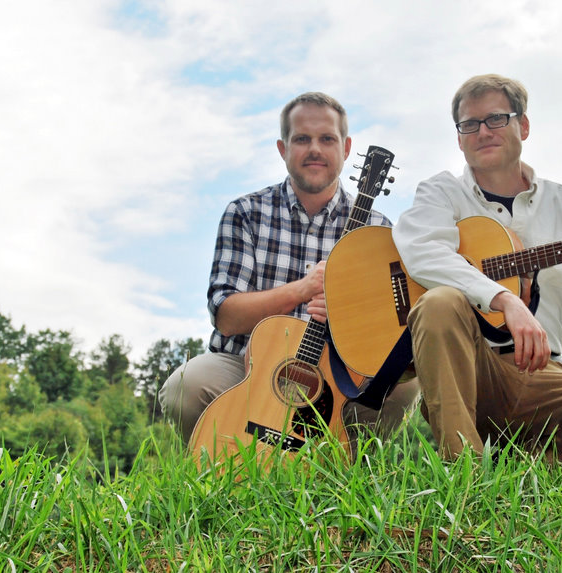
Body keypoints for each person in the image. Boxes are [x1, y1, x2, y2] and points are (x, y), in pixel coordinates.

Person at [392, 74, 562, 460]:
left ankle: (528, 466)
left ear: (523, 126)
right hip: (469, 374)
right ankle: (465, 474)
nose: (483, 131)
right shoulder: (441, 192)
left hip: (546, 375)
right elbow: (422, 249)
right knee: (439, 302)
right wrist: (504, 299)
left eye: (496, 119)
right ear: (459, 139)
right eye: (470, 124)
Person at [160, 91, 420, 443]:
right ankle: (225, 460)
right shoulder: (246, 213)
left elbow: (388, 328)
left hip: (336, 378)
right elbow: (226, 316)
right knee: (186, 386)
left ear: (346, 149)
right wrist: (303, 289)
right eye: (302, 139)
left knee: (402, 386)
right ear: (283, 149)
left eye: (327, 139)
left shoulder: (377, 232)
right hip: (248, 368)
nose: (315, 149)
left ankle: (341, 466)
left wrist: (348, 315)